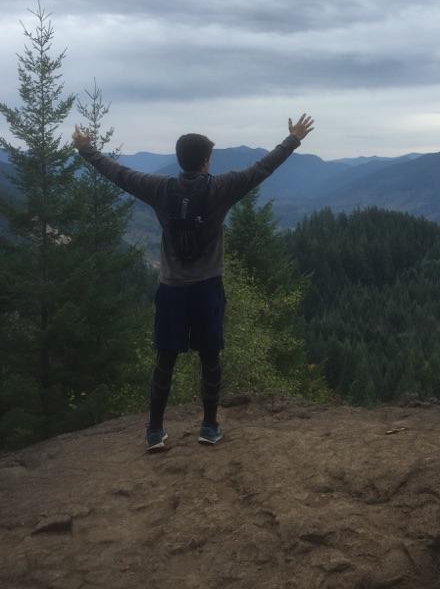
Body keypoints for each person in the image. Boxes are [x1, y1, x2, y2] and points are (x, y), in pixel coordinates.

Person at [72, 113, 315, 451]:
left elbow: (120, 174)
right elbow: (262, 168)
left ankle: (155, 431)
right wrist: (293, 139)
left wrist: (87, 150)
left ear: (179, 159)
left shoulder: (159, 188)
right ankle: (209, 426)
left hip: (171, 288)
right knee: (210, 358)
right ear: (206, 160)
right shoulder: (220, 188)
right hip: (207, 287)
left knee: (165, 359)